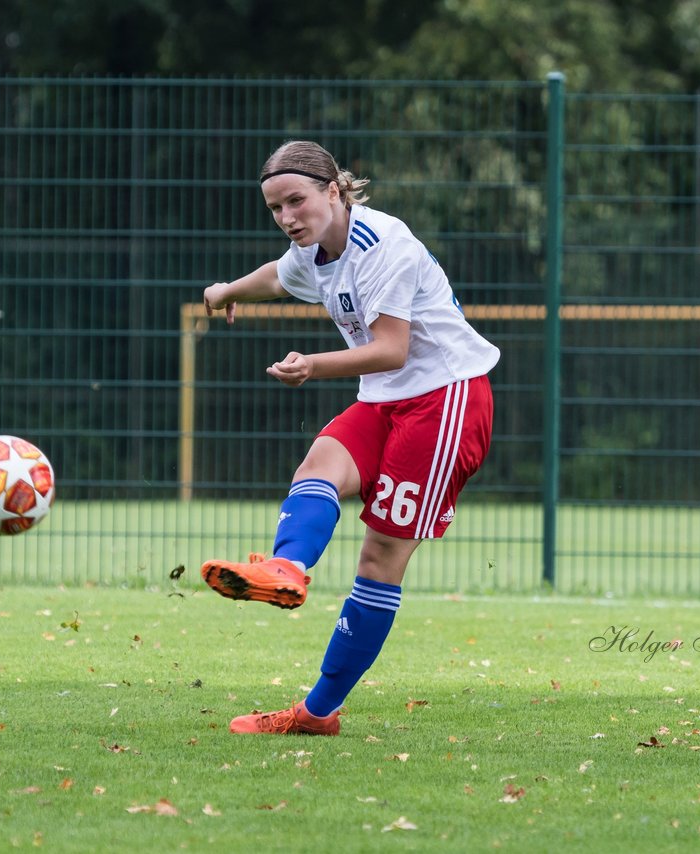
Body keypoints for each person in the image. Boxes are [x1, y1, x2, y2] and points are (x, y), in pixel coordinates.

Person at [199, 140, 500, 736]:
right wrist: (228, 290)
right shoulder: (311, 251)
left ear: (333, 190)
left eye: (297, 202)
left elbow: (391, 350)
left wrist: (311, 364)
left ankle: (317, 712)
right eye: (275, 208)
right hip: (386, 397)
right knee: (319, 467)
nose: (287, 218)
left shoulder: (384, 243)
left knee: (380, 557)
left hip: (447, 400)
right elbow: (278, 277)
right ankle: (285, 568)